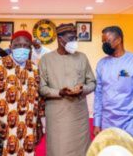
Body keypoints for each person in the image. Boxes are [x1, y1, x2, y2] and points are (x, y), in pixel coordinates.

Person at [0, 30, 43, 156]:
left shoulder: (35, 70)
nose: (22, 48)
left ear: (30, 48)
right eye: (17, 45)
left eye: (26, 45)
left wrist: (38, 125)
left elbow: (38, 100)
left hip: (26, 131)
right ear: (10, 47)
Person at [39, 23, 96, 156]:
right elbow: (42, 88)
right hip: (57, 116)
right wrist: (59, 92)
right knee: (58, 150)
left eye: (76, 38)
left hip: (79, 116)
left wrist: (83, 89)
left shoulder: (82, 57)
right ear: (60, 39)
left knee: (81, 150)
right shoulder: (46, 59)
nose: (74, 42)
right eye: (71, 38)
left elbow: (92, 82)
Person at [93, 26, 133, 150]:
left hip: (132, 124)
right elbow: (98, 94)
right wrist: (97, 123)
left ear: (118, 40)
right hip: (108, 123)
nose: (104, 45)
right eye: (102, 42)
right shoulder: (102, 64)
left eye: (107, 41)